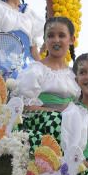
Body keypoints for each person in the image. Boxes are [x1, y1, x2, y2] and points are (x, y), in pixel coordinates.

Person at [17, 17, 81, 148]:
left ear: (71, 40)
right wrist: (59, 113)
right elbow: (25, 107)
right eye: (51, 36)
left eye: (62, 35)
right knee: (59, 121)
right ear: (45, 41)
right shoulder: (35, 70)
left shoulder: (74, 74)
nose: (56, 40)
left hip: (70, 125)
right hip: (44, 124)